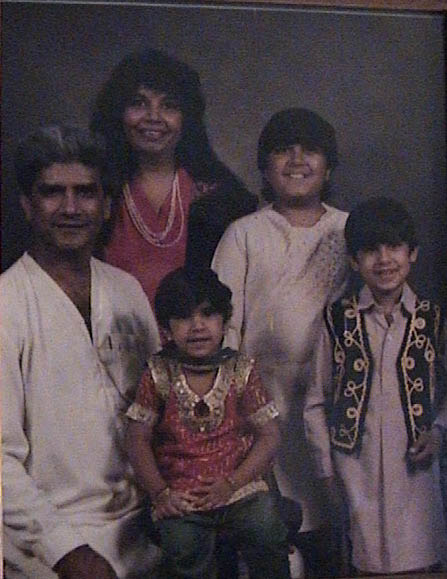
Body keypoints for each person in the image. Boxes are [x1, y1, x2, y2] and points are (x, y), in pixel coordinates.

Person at [2, 125, 161, 579]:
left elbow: (163, 409)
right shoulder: (6, 304)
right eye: (52, 192)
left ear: (106, 205)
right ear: (27, 205)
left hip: (148, 528)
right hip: (53, 545)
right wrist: (68, 552)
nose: (70, 208)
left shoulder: (127, 290)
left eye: (86, 193)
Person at [212, 108, 349, 575]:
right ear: (265, 168)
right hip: (261, 404)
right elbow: (225, 326)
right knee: (273, 530)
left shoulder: (348, 230)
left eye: (310, 150)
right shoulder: (245, 233)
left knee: (335, 526)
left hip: (333, 404)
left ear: (329, 166)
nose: (296, 160)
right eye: (283, 151)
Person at [304, 197, 447, 575]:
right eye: (370, 250)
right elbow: (316, 400)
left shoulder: (433, 319)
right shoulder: (337, 320)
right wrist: (326, 469)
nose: (383, 260)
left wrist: (438, 431)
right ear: (354, 261)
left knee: (420, 560)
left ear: (412, 253)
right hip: (356, 467)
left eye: (394, 247)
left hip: (416, 468)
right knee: (363, 559)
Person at [125, 267, 291, 579]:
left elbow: (269, 435)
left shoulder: (240, 370)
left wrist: (233, 483)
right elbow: (137, 439)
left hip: (239, 490)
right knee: (182, 546)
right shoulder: (158, 374)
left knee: (266, 529)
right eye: (184, 317)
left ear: (224, 321)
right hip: (181, 497)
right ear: (166, 328)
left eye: (208, 314)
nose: (197, 326)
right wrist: (160, 493)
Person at [90, 48, 257, 310]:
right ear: (118, 112)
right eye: (139, 103)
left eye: (168, 106)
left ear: (186, 118)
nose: (153, 117)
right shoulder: (92, 192)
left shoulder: (222, 199)